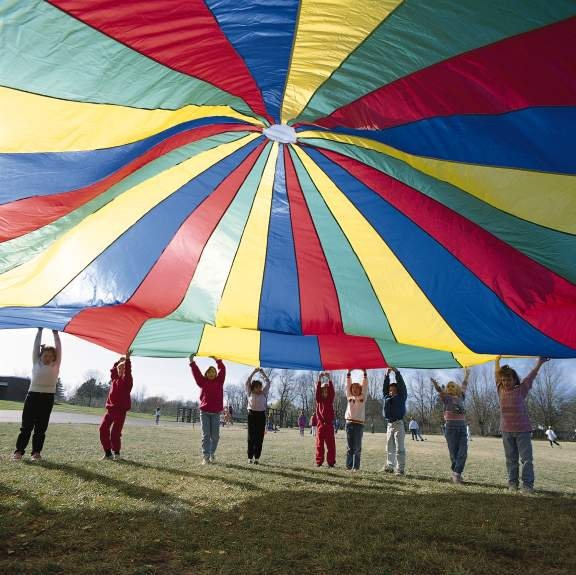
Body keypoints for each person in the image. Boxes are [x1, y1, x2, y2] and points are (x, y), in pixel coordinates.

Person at [495, 356, 548, 493]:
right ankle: (512, 483)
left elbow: (531, 377)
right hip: (506, 431)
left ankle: (527, 485)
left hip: (522, 431)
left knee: (526, 459)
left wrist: (539, 363)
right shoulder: (500, 390)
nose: (506, 382)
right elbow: (497, 374)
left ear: (515, 380)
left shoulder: (521, 390)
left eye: (509, 379)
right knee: (511, 459)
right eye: (504, 380)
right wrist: (496, 361)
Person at [12, 328, 62, 461]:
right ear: (40, 356)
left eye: (51, 356)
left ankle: (36, 453)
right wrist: (39, 331)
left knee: (41, 428)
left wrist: (55, 334)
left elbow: (59, 349)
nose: (48, 358)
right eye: (45, 355)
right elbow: (35, 347)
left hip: (47, 399)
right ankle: (18, 452)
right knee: (26, 427)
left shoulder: (55, 366)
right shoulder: (36, 363)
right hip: (32, 397)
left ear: (54, 358)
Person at [432, 368, 470, 484]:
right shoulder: (447, 399)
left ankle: (457, 473)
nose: (450, 388)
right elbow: (440, 391)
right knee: (453, 453)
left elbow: (464, 386)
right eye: (448, 387)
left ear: (456, 389)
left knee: (463, 452)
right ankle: (456, 474)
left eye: (452, 386)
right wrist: (436, 385)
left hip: (462, 428)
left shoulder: (461, 397)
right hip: (450, 428)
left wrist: (466, 375)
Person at [189, 354, 226, 465]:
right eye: (209, 372)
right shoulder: (202, 382)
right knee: (206, 435)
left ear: (216, 374)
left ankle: (211, 453)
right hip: (204, 412)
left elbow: (223, 369)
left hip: (215, 413)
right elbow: (196, 373)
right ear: (206, 374)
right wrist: (192, 362)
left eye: (213, 371)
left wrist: (218, 361)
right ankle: (205, 456)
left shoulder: (220, 381)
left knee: (215, 436)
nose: (211, 373)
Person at [100, 350, 133, 461]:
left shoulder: (127, 382)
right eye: (120, 368)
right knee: (103, 429)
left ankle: (117, 453)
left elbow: (128, 372)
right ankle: (108, 453)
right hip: (110, 410)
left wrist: (127, 360)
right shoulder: (114, 379)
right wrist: (118, 362)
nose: (121, 370)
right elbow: (114, 370)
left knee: (115, 433)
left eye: (123, 369)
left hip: (120, 411)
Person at [382, 368, 407, 475]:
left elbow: (402, 386)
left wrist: (397, 373)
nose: (391, 391)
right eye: (390, 390)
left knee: (399, 447)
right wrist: (386, 375)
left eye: (394, 390)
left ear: (398, 391)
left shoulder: (401, 397)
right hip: (389, 425)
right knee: (389, 447)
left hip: (398, 424)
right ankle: (390, 466)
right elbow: (384, 389)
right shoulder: (386, 397)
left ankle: (400, 469)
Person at [245, 368, 271, 464]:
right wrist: (254, 372)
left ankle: (257, 458)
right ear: (253, 388)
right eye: (256, 387)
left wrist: (262, 373)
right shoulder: (249, 393)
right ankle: (250, 457)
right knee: (251, 437)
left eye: (260, 387)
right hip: (251, 415)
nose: (259, 389)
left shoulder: (264, 393)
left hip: (261, 416)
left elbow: (268, 382)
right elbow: (248, 381)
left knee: (259, 437)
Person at [345, 369, 368, 471]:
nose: (354, 390)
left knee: (357, 448)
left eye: (357, 388)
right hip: (349, 424)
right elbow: (347, 385)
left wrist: (364, 374)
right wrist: (348, 373)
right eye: (353, 388)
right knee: (350, 447)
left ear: (360, 389)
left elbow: (365, 387)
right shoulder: (349, 397)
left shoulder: (363, 398)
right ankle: (349, 466)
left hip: (359, 425)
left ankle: (356, 467)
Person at [315, 372, 336, 467]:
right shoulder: (319, 400)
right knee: (319, 444)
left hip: (329, 425)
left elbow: (332, 392)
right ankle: (319, 461)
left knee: (331, 445)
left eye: (326, 391)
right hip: (320, 425)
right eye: (323, 391)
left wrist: (329, 379)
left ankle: (331, 462)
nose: (325, 393)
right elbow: (317, 393)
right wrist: (319, 379)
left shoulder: (330, 400)